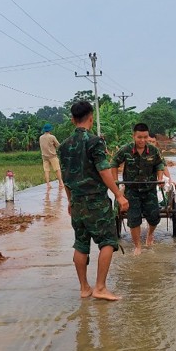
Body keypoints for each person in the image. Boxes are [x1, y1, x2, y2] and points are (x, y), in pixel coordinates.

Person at [59, 101, 129, 301]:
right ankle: (100, 287)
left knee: (81, 244)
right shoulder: (94, 141)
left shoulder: (64, 146)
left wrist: (70, 201)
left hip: (78, 203)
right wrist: (119, 194)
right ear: (91, 118)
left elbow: (65, 177)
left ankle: (84, 288)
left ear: (73, 120)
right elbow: (104, 171)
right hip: (96, 201)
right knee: (107, 241)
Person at [111, 123, 166, 255]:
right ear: (134, 136)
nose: (142, 140)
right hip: (132, 191)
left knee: (154, 216)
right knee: (134, 218)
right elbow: (113, 163)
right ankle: (137, 246)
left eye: (145, 137)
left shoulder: (153, 150)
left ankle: (150, 235)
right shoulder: (126, 150)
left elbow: (159, 164)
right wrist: (115, 181)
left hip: (149, 189)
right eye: (139, 137)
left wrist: (160, 177)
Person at [39, 123, 63, 189]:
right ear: (50, 130)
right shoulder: (52, 137)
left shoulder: (41, 137)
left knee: (46, 170)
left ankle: (48, 184)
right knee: (57, 169)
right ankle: (60, 183)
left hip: (44, 156)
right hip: (52, 156)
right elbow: (58, 145)